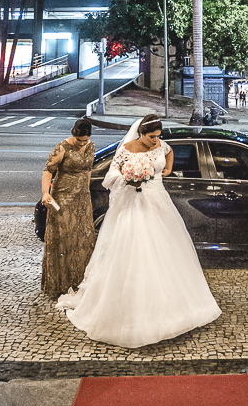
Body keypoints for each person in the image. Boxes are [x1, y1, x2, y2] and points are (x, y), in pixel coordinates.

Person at [56, 113, 221, 348]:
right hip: (133, 205)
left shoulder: (160, 145)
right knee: (136, 252)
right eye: (152, 137)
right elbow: (111, 177)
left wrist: (169, 168)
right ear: (141, 134)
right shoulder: (127, 149)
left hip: (159, 202)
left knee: (168, 252)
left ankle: (174, 309)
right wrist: (128, 178)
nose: (156, 141)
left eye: (158, 137)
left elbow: (168, 151)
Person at [40, 117, 96, 299]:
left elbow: (87, 171)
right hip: (62, 197)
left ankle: (79, 281)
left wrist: (86, 194)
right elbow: (48, 170)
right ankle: (59, 284)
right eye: (79, 140)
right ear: (74, 136)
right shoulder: (63, 147)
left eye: (85, 140)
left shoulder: (91, 147)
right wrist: (45, 193)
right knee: (62, 238)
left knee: (82, 239)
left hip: (82, 199)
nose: (82, 144)